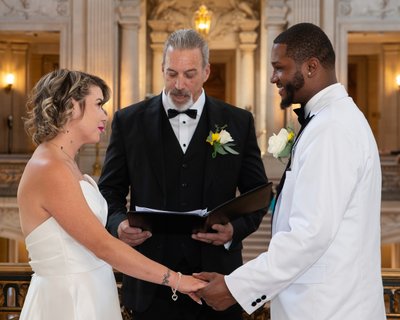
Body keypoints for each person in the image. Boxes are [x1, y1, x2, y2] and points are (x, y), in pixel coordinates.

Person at [194, 22, 387, 320]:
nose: (273, 77)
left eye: (279, 68)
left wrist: (235, 287)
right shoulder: (327, 121)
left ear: (311, 67)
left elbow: (309, 235)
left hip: (330, 309)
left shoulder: (332, 129)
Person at [98, 29, 268, 320]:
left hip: (216, 283)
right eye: (171, 73)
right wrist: (118, 224)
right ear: (162, 69)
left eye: (189, 74)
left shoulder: (238, 122)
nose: (179, 84)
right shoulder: (129, 121)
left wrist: (233, 232)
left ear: (206, 71)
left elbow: (259, 193)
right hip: (149, 280)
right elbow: (108, 191)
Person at [17, 69, 205, 320]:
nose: (105, 115)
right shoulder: (49, 167)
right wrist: (177, 280)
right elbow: (103, 246)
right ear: (73, 106)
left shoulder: (65, 162)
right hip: (70, 301)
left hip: (92, 291)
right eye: (98, 104)